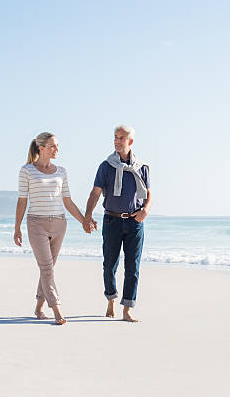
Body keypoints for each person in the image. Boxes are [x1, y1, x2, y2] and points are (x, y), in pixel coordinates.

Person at [14, 132, 90, 325]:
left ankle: (39, 307)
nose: (57, 149)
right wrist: (17, 228)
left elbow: (68, 201)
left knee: (48, 269)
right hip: (36, 224)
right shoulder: (27, 171)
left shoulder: (61, 172)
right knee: (47, 269)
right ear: (41, 148)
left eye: (57, 146)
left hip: (59, 224)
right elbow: (22, 201)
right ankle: (56, 310)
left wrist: (83, 220)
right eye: (53, 146)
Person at [83, 125, 151, 322]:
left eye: (122, 138)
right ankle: (111, 299)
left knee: (133, 267)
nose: (117, 141)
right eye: (115, 137)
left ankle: (127, 308)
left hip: (135, 222)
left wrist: (146, 210)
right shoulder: (106, 166)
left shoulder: (142, 167)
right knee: (109, 265)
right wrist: (87, 216)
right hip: (112, 220)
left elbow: (149, 193)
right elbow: (95, 192)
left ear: (130, 142)